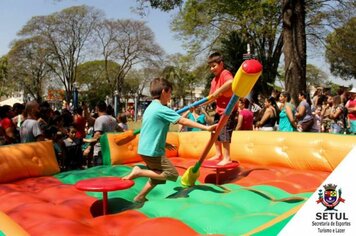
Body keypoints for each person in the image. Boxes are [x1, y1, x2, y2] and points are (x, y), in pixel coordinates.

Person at [123, 78, 216, 203]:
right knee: (171, 174)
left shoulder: (151, 108)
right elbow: (182, 121)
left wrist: (164, 143)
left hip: (144, 149)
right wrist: (206, 127)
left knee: (157, 177)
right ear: (163, 92)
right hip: (152, 151)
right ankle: (139, 172)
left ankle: (140, 196)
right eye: (170, 92)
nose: (170, 96)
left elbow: (151, 130)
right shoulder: (162, 108)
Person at [205, 52, 238, 166]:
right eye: (210, 66)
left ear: (221, 64)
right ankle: (218, 154)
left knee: (224, 133)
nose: (212, 69)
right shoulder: (213, 80)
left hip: (228, 111)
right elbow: (211, 97)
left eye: (214, 65)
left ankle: (227, 157)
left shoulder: (225, 73)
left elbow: (231, 82)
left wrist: (219, 91)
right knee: (214, 132)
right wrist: (199, 104)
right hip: (219, 111)